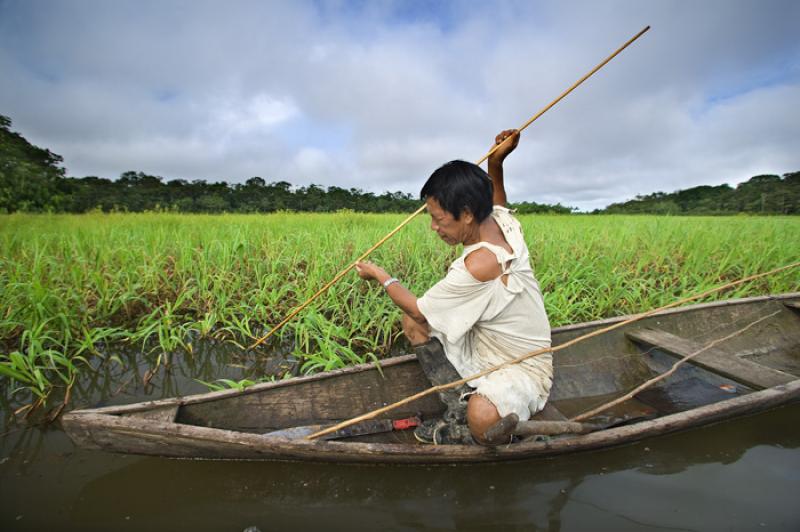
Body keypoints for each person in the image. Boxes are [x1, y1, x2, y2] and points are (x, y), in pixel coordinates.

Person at [355, 129, 553, 445]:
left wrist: (380, 275)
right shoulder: (501, 223)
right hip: (489, 342)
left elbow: (418, 308)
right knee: (414, 326)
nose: (434, 228)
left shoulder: (477, 265)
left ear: (467, 215)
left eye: (439, 219)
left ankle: (470, 422)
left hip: (525, 368)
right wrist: (496, 163)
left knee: (483, 418)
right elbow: (497, 200)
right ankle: (455, 405)